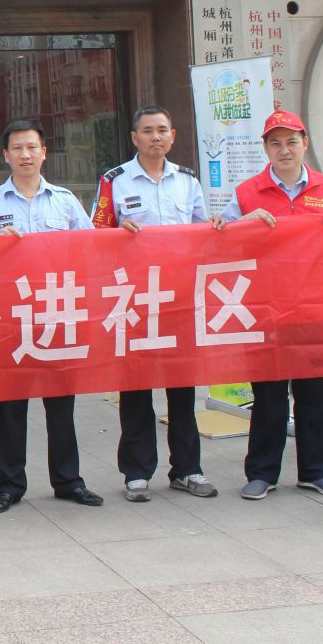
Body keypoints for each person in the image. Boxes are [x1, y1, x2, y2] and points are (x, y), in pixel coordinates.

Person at [213, 109, 323, 500]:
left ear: (305, 144)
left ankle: (316, 471)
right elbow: (222, 240)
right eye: (276, 143)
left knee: (315, 396)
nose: (284, 150)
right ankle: (262, 473)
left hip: (315, 308)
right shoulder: (248, 193)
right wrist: (244, 222)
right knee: (269, 397)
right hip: (266, 310)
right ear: (266, 148)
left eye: (291, 142)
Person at [0, 119, 105, 513]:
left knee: (61, 405)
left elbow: (91, 249)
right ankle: (9, 485)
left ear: (44, 153)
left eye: (32, 147)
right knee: (10, 407)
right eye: (17, 148)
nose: (25, 154)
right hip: (10, 319)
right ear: (5, 155)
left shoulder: (64, 201)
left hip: (56, 314)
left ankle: (68, 480)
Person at [91, 106, 217, 503]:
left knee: (182, 388)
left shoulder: (187, 181)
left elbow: (203, 231)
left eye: (162, 129)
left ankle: (187, 469)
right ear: (134, 138)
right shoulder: (114, 181)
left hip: (179, 297)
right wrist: (117, 233)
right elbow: (95, 234)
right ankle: (137, 473)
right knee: (136, 388)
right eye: (147, 130)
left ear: (173, 135)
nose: (155, 137)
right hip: (134, 299)